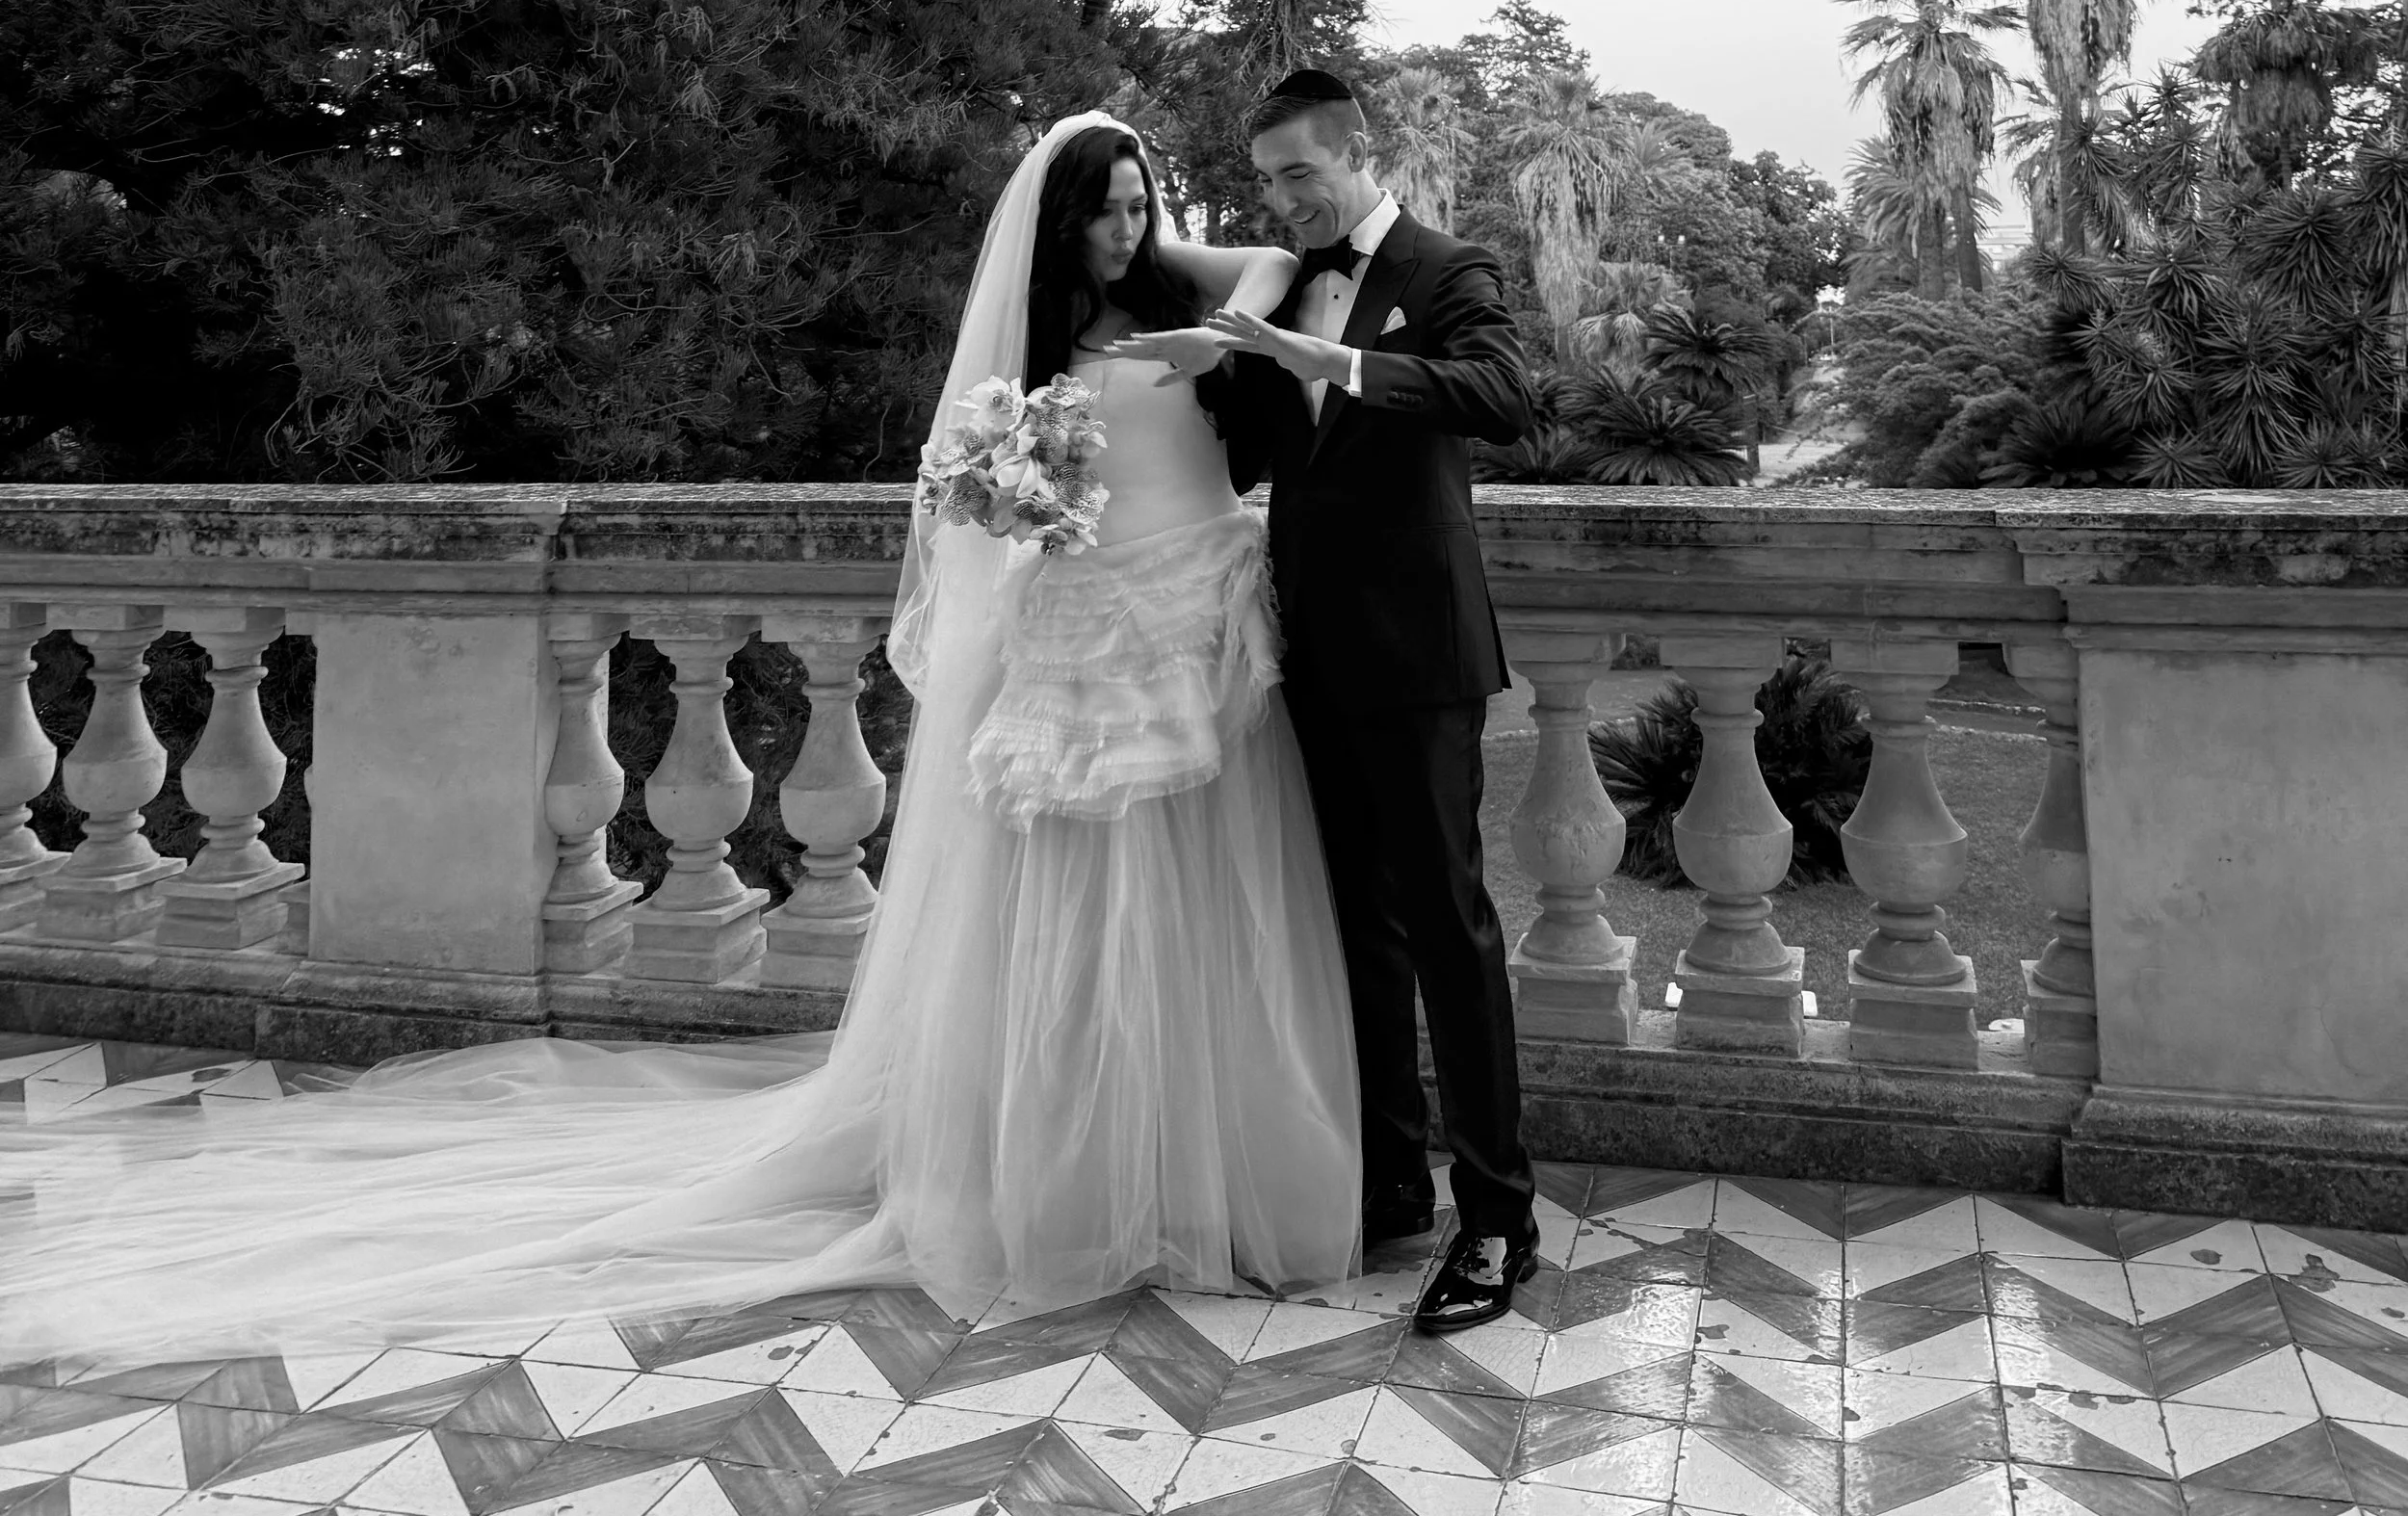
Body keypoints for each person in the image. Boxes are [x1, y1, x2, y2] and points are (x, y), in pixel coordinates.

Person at [0, 113, 1360, 1356]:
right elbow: (978, 503)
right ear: (1056, 230)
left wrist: (1163, 249)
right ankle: (1075, 1179)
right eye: (1104, 213)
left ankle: (1205, 1169)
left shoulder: (1193, 297)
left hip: (1197, 627)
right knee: (1081, 924)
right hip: (1091, 651)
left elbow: (1272, 266)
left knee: (1206, 912)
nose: (1128, 231)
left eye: (1139, 207)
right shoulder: (1027, 356)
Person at [1173, 66, 1541, 1336]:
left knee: (1449, 926)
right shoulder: (1279, 281)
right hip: (1308, 658)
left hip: (1422, 660)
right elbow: (1237, 453)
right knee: (1354, 931)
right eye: (1268, 182)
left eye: (1299, 176)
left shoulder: (1447, 269)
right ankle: (1391, 1183)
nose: (1283, 201)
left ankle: (1500, 1220)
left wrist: (1326, 358)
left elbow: (1505, 399)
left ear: (1357, 151)